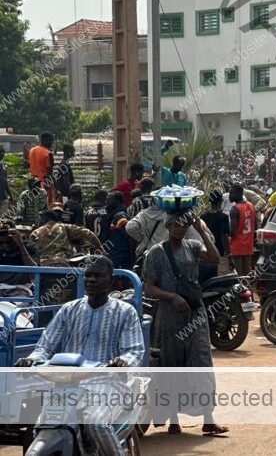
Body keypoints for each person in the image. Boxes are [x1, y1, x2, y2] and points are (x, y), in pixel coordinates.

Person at [15, 255, 145, 456]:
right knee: (40, 426)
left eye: (98, 276)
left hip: (106, 383)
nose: (91, 280)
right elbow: (45, 346)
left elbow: (134, 351)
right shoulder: (69, 310)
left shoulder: (125, 312)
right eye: (88, 275)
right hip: (65, 385)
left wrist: (122, 362)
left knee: (96, 424)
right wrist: (31, 360)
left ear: (110, 281)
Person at [142, 212, 229, 437]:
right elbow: (149, 287)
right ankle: (173, 420)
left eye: (184, 224)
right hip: (169, 317)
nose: (180, 228)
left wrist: (201, 230)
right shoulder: (156, 253)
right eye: (176, 224)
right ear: (168, 226)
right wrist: (172, 297)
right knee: (171, 365)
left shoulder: (192, 246)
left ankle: (208, 420)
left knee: (201, 362)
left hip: (195, 313)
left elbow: (215, 258)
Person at [0, 221, 39, 298]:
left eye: (9, 242)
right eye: (1, 243)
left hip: (20, 289)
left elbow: (34, 272)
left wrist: (21, 245)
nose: (5, 245)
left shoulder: (29, 248)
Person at [228, 183, 257, 277]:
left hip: (237, 247)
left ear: (239, 194)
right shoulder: (251, 206)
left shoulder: (234, 209)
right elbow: (255, 225)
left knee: (238, 275)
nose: (229, 195)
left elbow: (232, 232)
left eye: (232, 193)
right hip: (248, 246)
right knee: (246, 275)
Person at [201, 190, 231, 274]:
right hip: (219, 252)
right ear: (221, 201)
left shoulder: (203, 217)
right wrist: (229, 254)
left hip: (207, 250)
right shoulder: (223, 217)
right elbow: (224, 236)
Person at [104, 191, 134, 271]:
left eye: (109, 200)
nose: (106, 202)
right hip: (114, 255)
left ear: (117, 201)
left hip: (121, 258)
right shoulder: (112, 216)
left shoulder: (120, 216)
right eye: (106, 199)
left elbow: (130, 237)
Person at [28, 132, 55, 202]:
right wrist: (53, 187)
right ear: (47, 140)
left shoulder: (32, 150)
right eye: (51, 140)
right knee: (46, 204)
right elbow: (50, 173)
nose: (52, 143)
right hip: (44, 184)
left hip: (32, 183)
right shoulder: (49, 153)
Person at [0, 146, 13, 219]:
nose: (2, 154)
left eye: (3, 152)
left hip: (3, 197)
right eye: (0, 152)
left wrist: (10, 195)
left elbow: (5, 181)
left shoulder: (3, 166)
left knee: (3, 219)